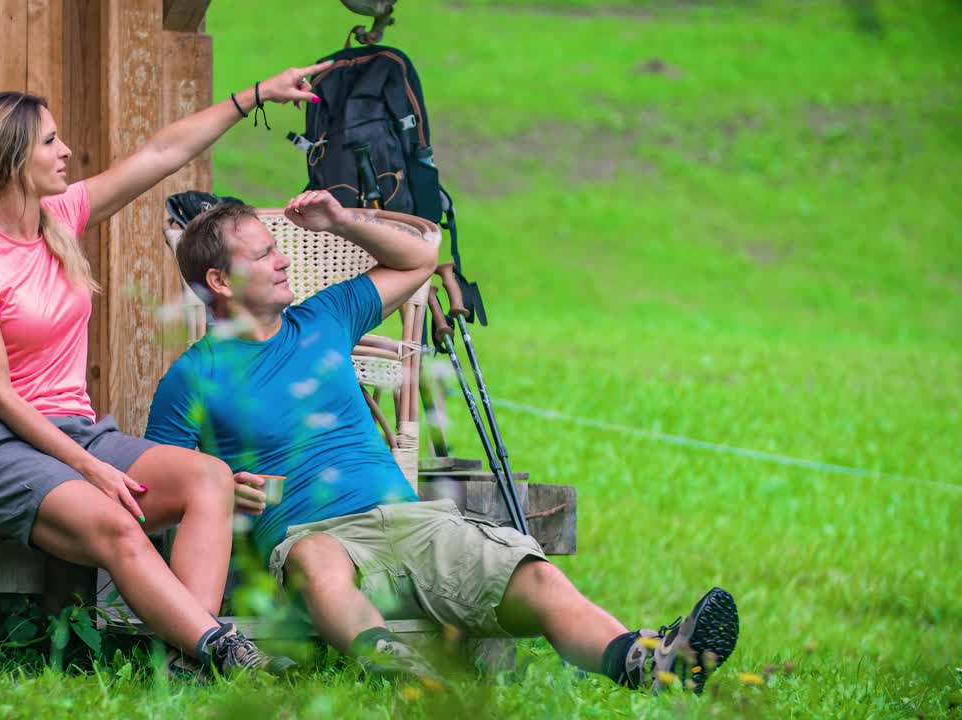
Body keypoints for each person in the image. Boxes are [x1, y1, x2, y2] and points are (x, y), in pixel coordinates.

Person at [144, 191, 740, 692]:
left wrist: (343, 221)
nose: (283, 260)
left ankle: (649, 661)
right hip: (307, 535)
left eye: (278, 247)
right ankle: (401, 675)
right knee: (317, 563)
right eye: (264, 252)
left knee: (532, 571)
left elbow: (420, 261)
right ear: (220, 280)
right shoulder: (193, 377)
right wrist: (227, 491)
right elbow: (162, 498)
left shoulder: (324, 317)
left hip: (407, 522)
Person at [0, 63, 332, 676]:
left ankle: (189, 664)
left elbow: (163, 152)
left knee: (210, 478)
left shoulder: (60, 218)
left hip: (76, 431)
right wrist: (90, 467)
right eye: (49, 141)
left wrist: (256, 95)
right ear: (14, 159)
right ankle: (225, 652)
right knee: (120, 526)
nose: (65, 151)